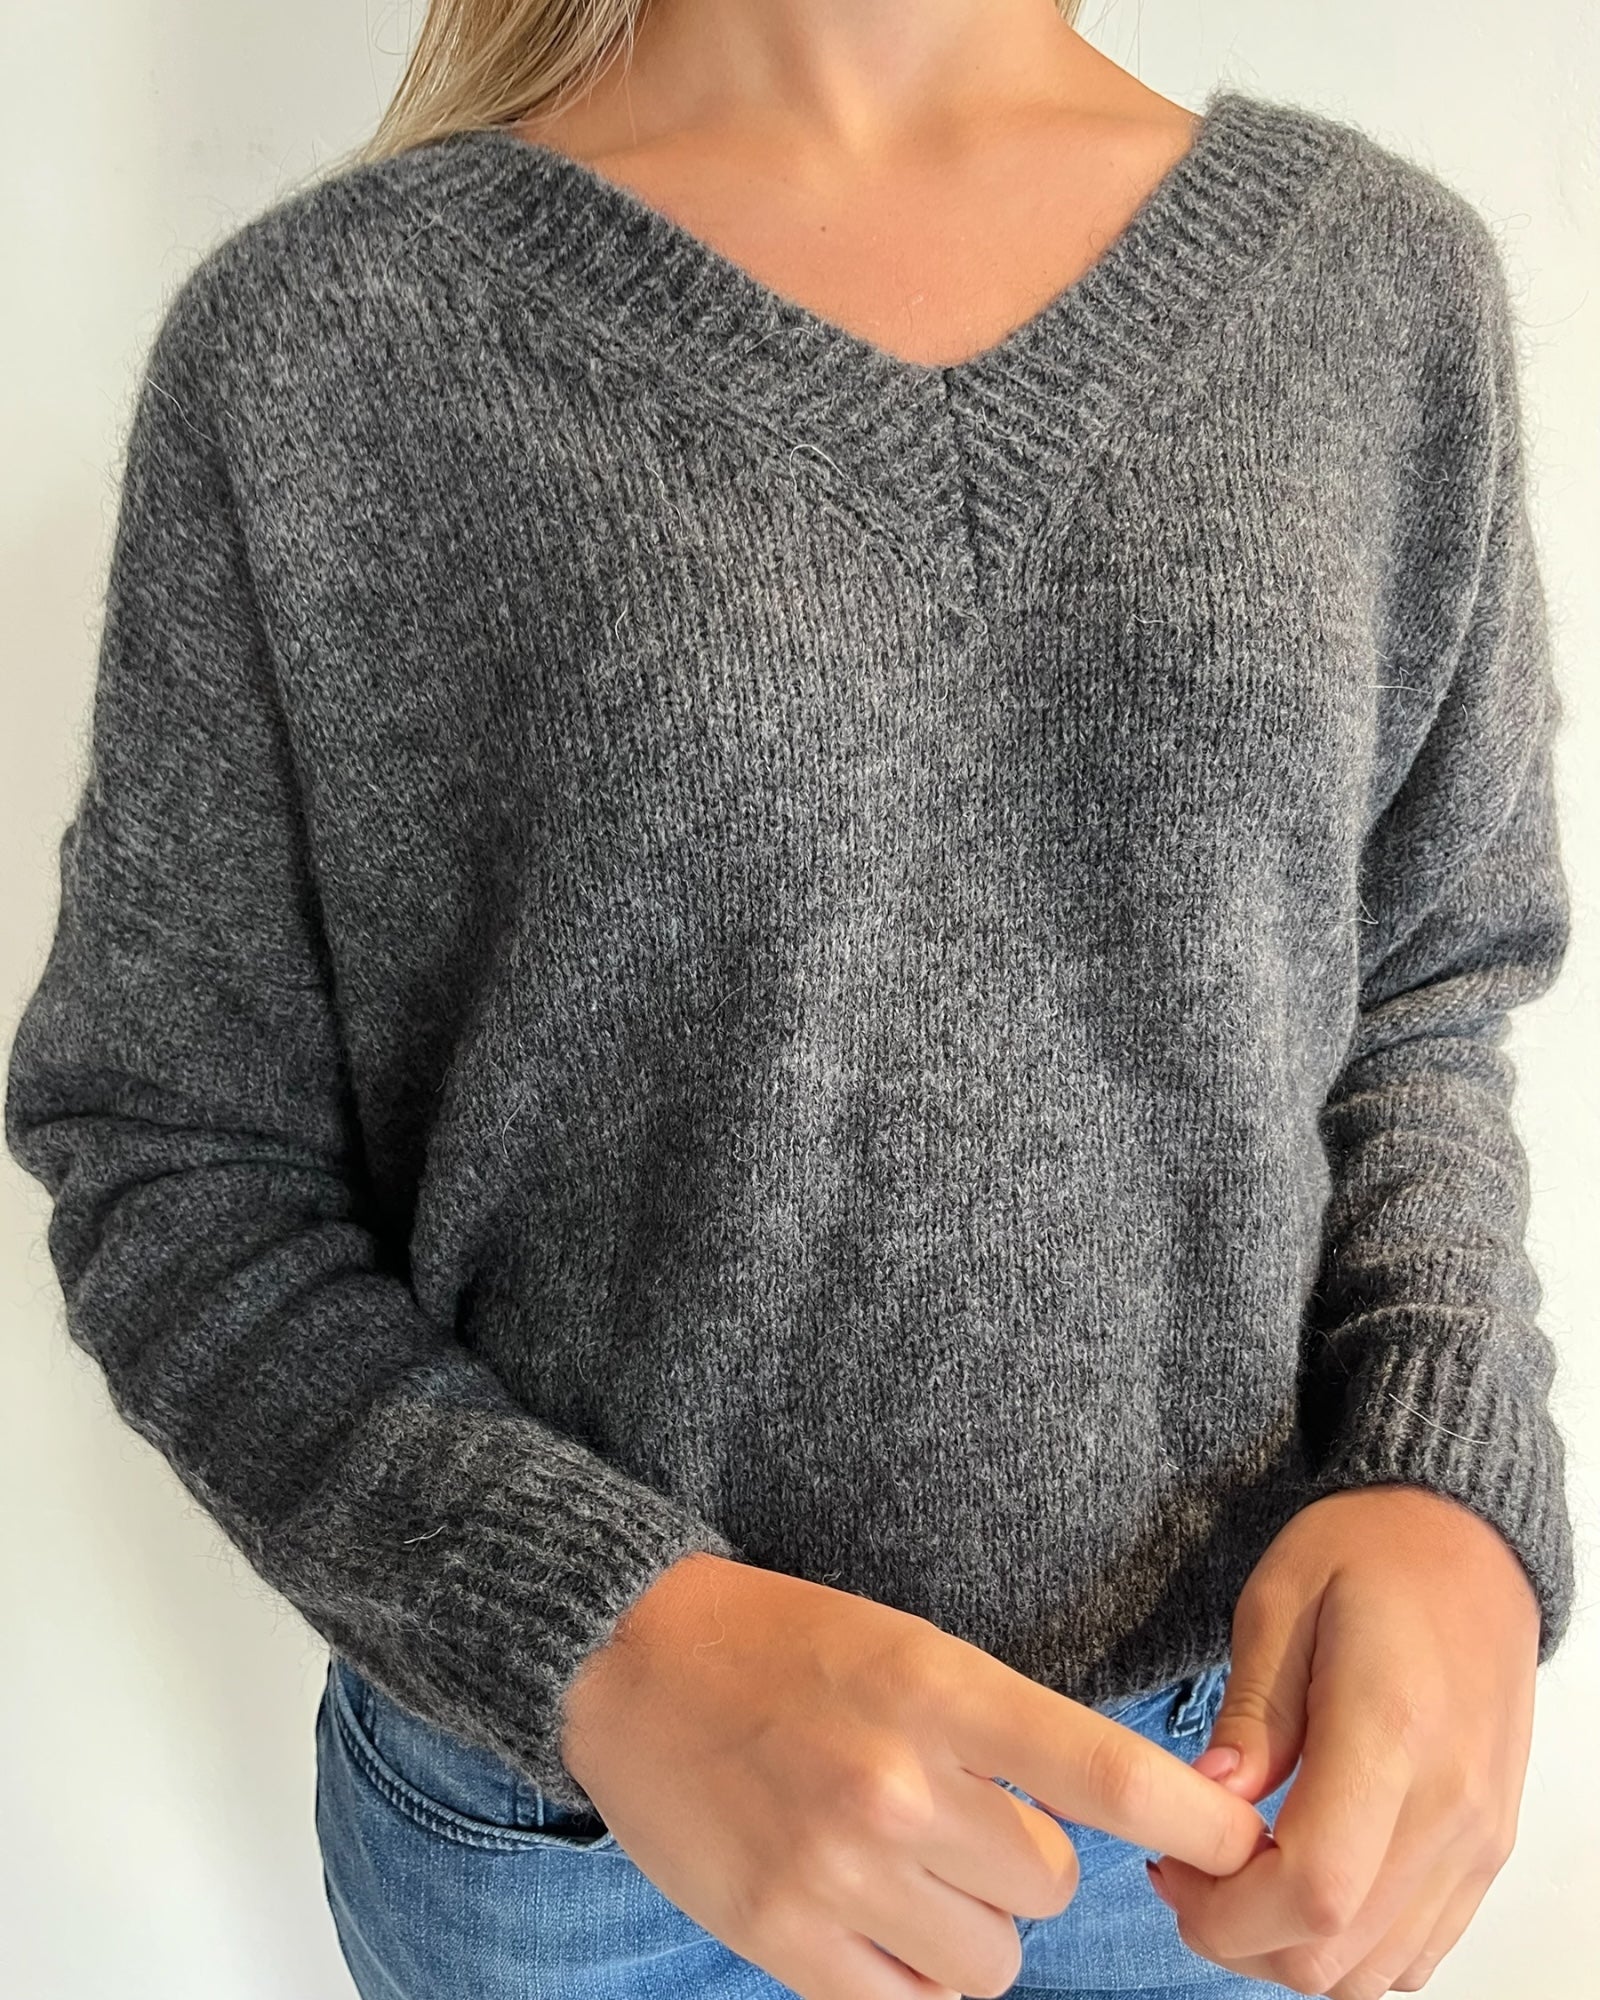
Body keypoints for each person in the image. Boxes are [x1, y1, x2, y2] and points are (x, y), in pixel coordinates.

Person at [5, 2, 1574, 1997]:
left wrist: (1446, 1472)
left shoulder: (1376, 288)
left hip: (1227, 1795)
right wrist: (605, 1637)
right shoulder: (323, 345)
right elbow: (173, 1156)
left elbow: (1420, 999)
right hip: (591, 1838)